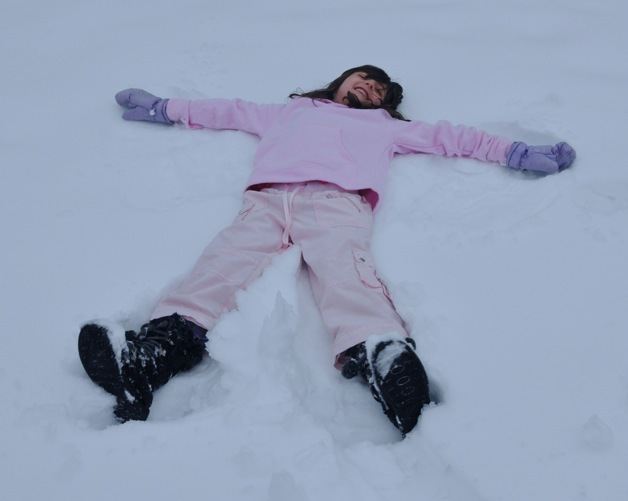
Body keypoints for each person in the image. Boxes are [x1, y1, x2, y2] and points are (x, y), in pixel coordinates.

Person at [78, 65, 576, 435]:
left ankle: (384, 355)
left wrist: (514, 152)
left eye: (378, 90)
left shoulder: (385, 126)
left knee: (347, 274)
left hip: (337, 205)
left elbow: (451, 138)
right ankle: (152, 356)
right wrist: (166, 108)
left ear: (385, 104)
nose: (368, 89)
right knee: (220, 265)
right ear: (339, 82)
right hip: (269, 200)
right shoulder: (292, 112)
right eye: (362, 80)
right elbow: (225, 110)